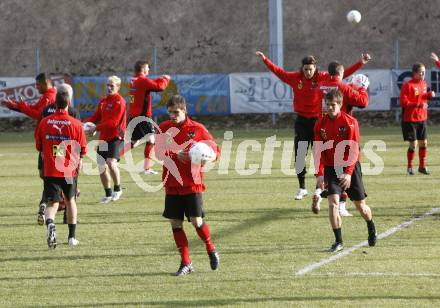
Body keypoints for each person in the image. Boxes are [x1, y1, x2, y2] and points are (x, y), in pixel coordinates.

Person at [255, 51, 370, 201]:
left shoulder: (322, 78)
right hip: (302, 121)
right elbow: (279, 72)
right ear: (301, 69)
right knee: (300, 154)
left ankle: (319, 188)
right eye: (306, 69)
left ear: (315, 68)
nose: (308, 72)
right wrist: (265, 60)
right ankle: (302, 188)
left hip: (318, 121)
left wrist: (360, 63)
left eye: (311, 69)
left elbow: (340, 75)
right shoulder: (296, 78)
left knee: (321, 153)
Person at [155, 95, 220, 276]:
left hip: (192, 183)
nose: (172, 116)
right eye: (170, 113)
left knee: (195, 221)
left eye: (176, 112)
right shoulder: (164, 128)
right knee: (175, 224)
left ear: (184, 111)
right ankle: (186, 262)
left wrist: (210, 157)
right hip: (172, 183)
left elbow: (215, 149)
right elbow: (159, 153)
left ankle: (211, 248)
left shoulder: (197, 129)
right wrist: (177, 155)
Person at [313, 89, 377, 252]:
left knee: (360, 206)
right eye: (327, 105)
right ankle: (338, 241)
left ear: (340, 105)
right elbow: (318, 150)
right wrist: (319, 174)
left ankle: (370, 225)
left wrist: (348, 173)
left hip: (350, 167)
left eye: (333, 105)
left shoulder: (350, 122)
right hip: (331, 169)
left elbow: (354, 150)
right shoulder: (320, 124)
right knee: (333, 203)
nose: (329, 108)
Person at [1, 73, 57, 225]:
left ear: (46, 83)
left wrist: (20, 106)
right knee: (44, 174)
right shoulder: (47, 95)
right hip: (45, 141)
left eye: (38, 84)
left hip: (49, 140)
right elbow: (34, 110)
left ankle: (48, 202)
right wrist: (15, 106)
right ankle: (49, 199)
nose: (36, 87)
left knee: (49, 175)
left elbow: (38, 114)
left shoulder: (49, 97)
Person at [315, 61, 370, 217]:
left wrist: (359, 64)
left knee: (326, 165)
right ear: (341, 74)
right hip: (341, 129)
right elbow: (363, 102)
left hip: (322, 127)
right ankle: (340, 204)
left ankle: (321, 193)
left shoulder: (321, 85)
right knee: (346, 167)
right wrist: (362, 88)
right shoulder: (343, 88)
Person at [35, 87, 87, 248]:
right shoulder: (76, 124)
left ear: (54, 103)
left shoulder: (44, 122)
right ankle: (72, 237)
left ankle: (50, 223)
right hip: (69, 170)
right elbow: (83, 149)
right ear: (68, 103)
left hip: (51, 169)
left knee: (52, 203)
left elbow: (39, 146)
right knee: (70, 200)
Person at [39, 83, 81, 225]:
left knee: (51, 195)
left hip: (48, 159)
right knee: (71, 198)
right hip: (68, 163)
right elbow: (79, 145)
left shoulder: (45, 113)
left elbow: (39, 142)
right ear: (68, 100)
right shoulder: (73, 115)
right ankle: (70, 231)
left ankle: (45, 208)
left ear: (55, 100)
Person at [84, 76, 127, 203]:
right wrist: (81, 124)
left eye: (112, 86)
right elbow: (95, 116)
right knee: (101, 167)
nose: (109, 88)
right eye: (107, 85)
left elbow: (113, 123)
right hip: (104, 138)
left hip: (116, 137)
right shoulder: (103, 101)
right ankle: (108, 194)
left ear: (118, 87)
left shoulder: (120, 101)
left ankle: (118, 189)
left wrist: (96, 128)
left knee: (111, 162)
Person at [127, 60, 170, 175]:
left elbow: (149, 83)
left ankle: (114, 157)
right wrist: (165, 78)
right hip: (143, 116)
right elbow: (160, 87)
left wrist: (159, 79)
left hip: (133, 116)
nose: (149, 70)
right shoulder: (142, 80)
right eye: (147, 68)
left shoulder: (133, 80)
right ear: (143, 69)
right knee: (151, 140)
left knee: (134, 142)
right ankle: (146, 169)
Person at [399, 62, 435, 175]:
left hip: (422, 118)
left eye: (424, 72)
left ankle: (422, 167)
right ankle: (410, 168)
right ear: (415, 73)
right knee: (413, 144)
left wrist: (428, 95)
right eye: (421, 72)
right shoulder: (407, 85)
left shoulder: (424, 83)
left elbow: (421, 97)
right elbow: (404, 102)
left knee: (423, 143)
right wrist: (418, 105)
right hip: (410, 119)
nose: (423, 74)